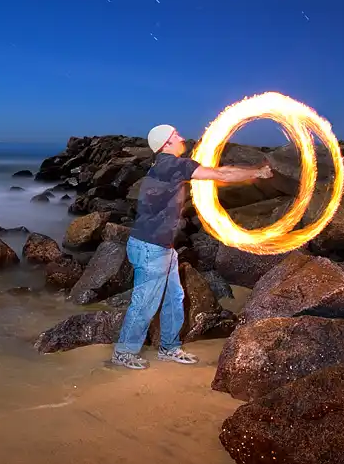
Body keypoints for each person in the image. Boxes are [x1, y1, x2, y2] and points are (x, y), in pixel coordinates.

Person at [111, 124, 274, 370]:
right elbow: (221, 174)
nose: (181, 137)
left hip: (161, 246)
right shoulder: (172, 165)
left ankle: (169, 347)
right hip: (150, 247)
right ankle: (124, 352)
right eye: (175, 135)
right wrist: (257, 172)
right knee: (145, 302)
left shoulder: (162, 167)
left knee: (174, 297)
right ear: (166, 144)